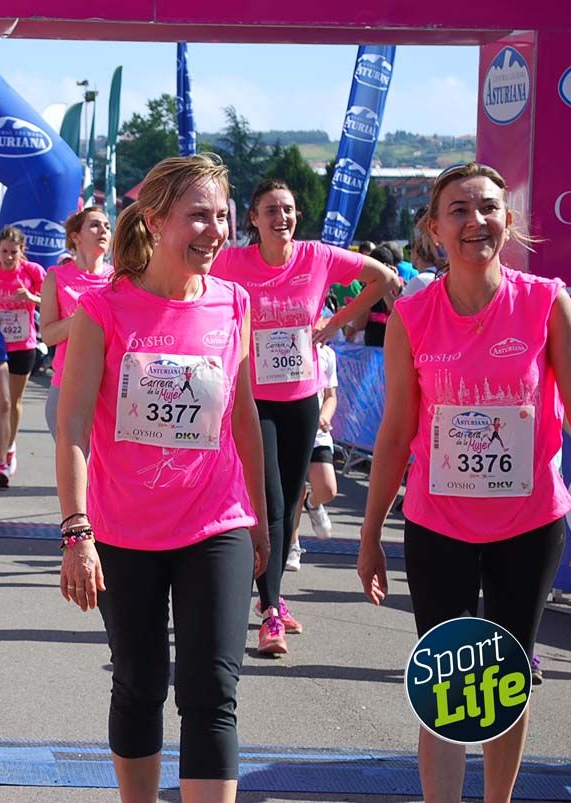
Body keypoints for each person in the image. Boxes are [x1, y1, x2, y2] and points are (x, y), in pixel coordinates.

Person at [56, 155, 269, 803]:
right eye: (198, 215)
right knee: (140, 683)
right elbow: (70, 428)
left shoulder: (235, 302)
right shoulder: (103, 308)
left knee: (211, 693)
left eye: (223, 216)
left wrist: (261, 521)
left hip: (217, 523)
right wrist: (76, 532)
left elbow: (243, 414)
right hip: (124, 532)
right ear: (154, 219)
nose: (215, 230)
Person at [358, 162, 569, 803]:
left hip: (529, 523)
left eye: (488, 208)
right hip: (437, 524)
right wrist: (369, 536)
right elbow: (394, 435)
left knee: (507, 675)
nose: (475, 221)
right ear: (433, 228)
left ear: (509, 221)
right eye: (459, 209)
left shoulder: (546, 301)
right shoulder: (413, 315)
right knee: (447, 678)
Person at [210, 178, 398, 654]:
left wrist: (335, 323)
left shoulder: (317, 257)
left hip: (301, 398)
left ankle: (269, 598)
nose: (282, 217)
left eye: (289, 208)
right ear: (253, 218)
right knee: (269, 500)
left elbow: (384, 278)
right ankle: (271, 610)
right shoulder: (232, 261)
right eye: (271, 209)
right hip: (251, 400)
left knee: (291, 501)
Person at [0, 228, 45, 487]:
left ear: (21, 251)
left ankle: (10, 444)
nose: (8, 257)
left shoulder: (32, 272)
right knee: (2, 403)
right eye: (4, 252)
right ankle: (1, 462)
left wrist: (32, 298)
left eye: (13, 252)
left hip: (23, 344)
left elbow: (49, 300)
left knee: (14, 402)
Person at [40, 207, 113, 439]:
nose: (103, 230)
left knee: (103, 473)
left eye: (107, 226)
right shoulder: (56, 277)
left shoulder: (118, 279)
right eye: (94, 225)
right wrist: (84, 318)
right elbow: (49, 335)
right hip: (68, 384)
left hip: (110, 388)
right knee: (74, 471)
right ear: (75, 236)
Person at [286, 337, 339, 571]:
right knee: (294, 489)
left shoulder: (327, 354)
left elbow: (330, 396)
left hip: (318, 434)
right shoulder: (285, 346)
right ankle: (292, 545)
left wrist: (324, 417)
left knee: (328, 489)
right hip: (293, 428)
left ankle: (313, 503)